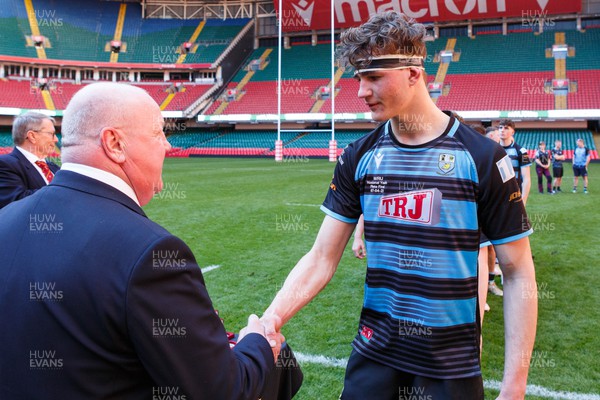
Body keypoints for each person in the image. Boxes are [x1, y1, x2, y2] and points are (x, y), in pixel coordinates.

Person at [261, 11, 537, 400]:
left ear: (413, 72)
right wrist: (271, 318)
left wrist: (514, 388)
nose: (360, 91)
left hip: (450, 366)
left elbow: (518, 272)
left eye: (373, 77)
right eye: (359, 78)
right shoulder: (358, 157)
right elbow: (321, 257)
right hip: (374, 356)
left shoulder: (483, 158)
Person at [0, 82, 281, 399]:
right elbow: (220, 390)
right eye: (158, 133)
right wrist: (258, 341)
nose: (167, 146)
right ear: (115, 143)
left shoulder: (5, 220)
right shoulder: (150, 252)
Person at [0, 111, 60, 209]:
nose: (56, 139)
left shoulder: (55, 167)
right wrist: (63, 190)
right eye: (51, 134)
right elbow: (17, 201)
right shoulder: (5, 164)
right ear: (32, 136)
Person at [498, 119, 531, 205]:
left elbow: (526, 178)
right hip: (496, 195)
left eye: (506, 128)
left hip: (514, 196)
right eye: (500, 127)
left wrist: (523, 200)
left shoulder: (521, 151)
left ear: (512, 132)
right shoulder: (492, 150)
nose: (502, 130)